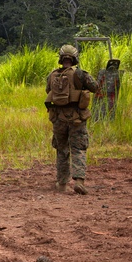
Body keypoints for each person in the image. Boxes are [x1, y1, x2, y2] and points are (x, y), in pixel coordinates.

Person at [45, 45, 100, 195]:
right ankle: (79, 181)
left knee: (61, 150)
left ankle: (62, 184)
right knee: (78, 148)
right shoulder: (80, 74)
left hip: (58, 119)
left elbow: (48, 91)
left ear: (61, 58)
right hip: (76, 117)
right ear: (75, 58)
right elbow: (95, 87)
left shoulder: (52, 75)